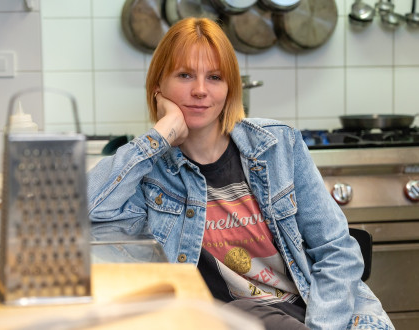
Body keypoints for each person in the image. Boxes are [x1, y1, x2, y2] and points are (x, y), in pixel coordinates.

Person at [87, 17, 394, 330]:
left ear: (229, 87)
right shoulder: (150, 172)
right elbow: (81, 212)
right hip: (239, 320)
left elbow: (337, 251)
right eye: (185, 75)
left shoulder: (277, 146)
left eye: (215, 77)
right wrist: (160, 134)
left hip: (328, 312)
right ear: (158, 88)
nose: (200, 90)